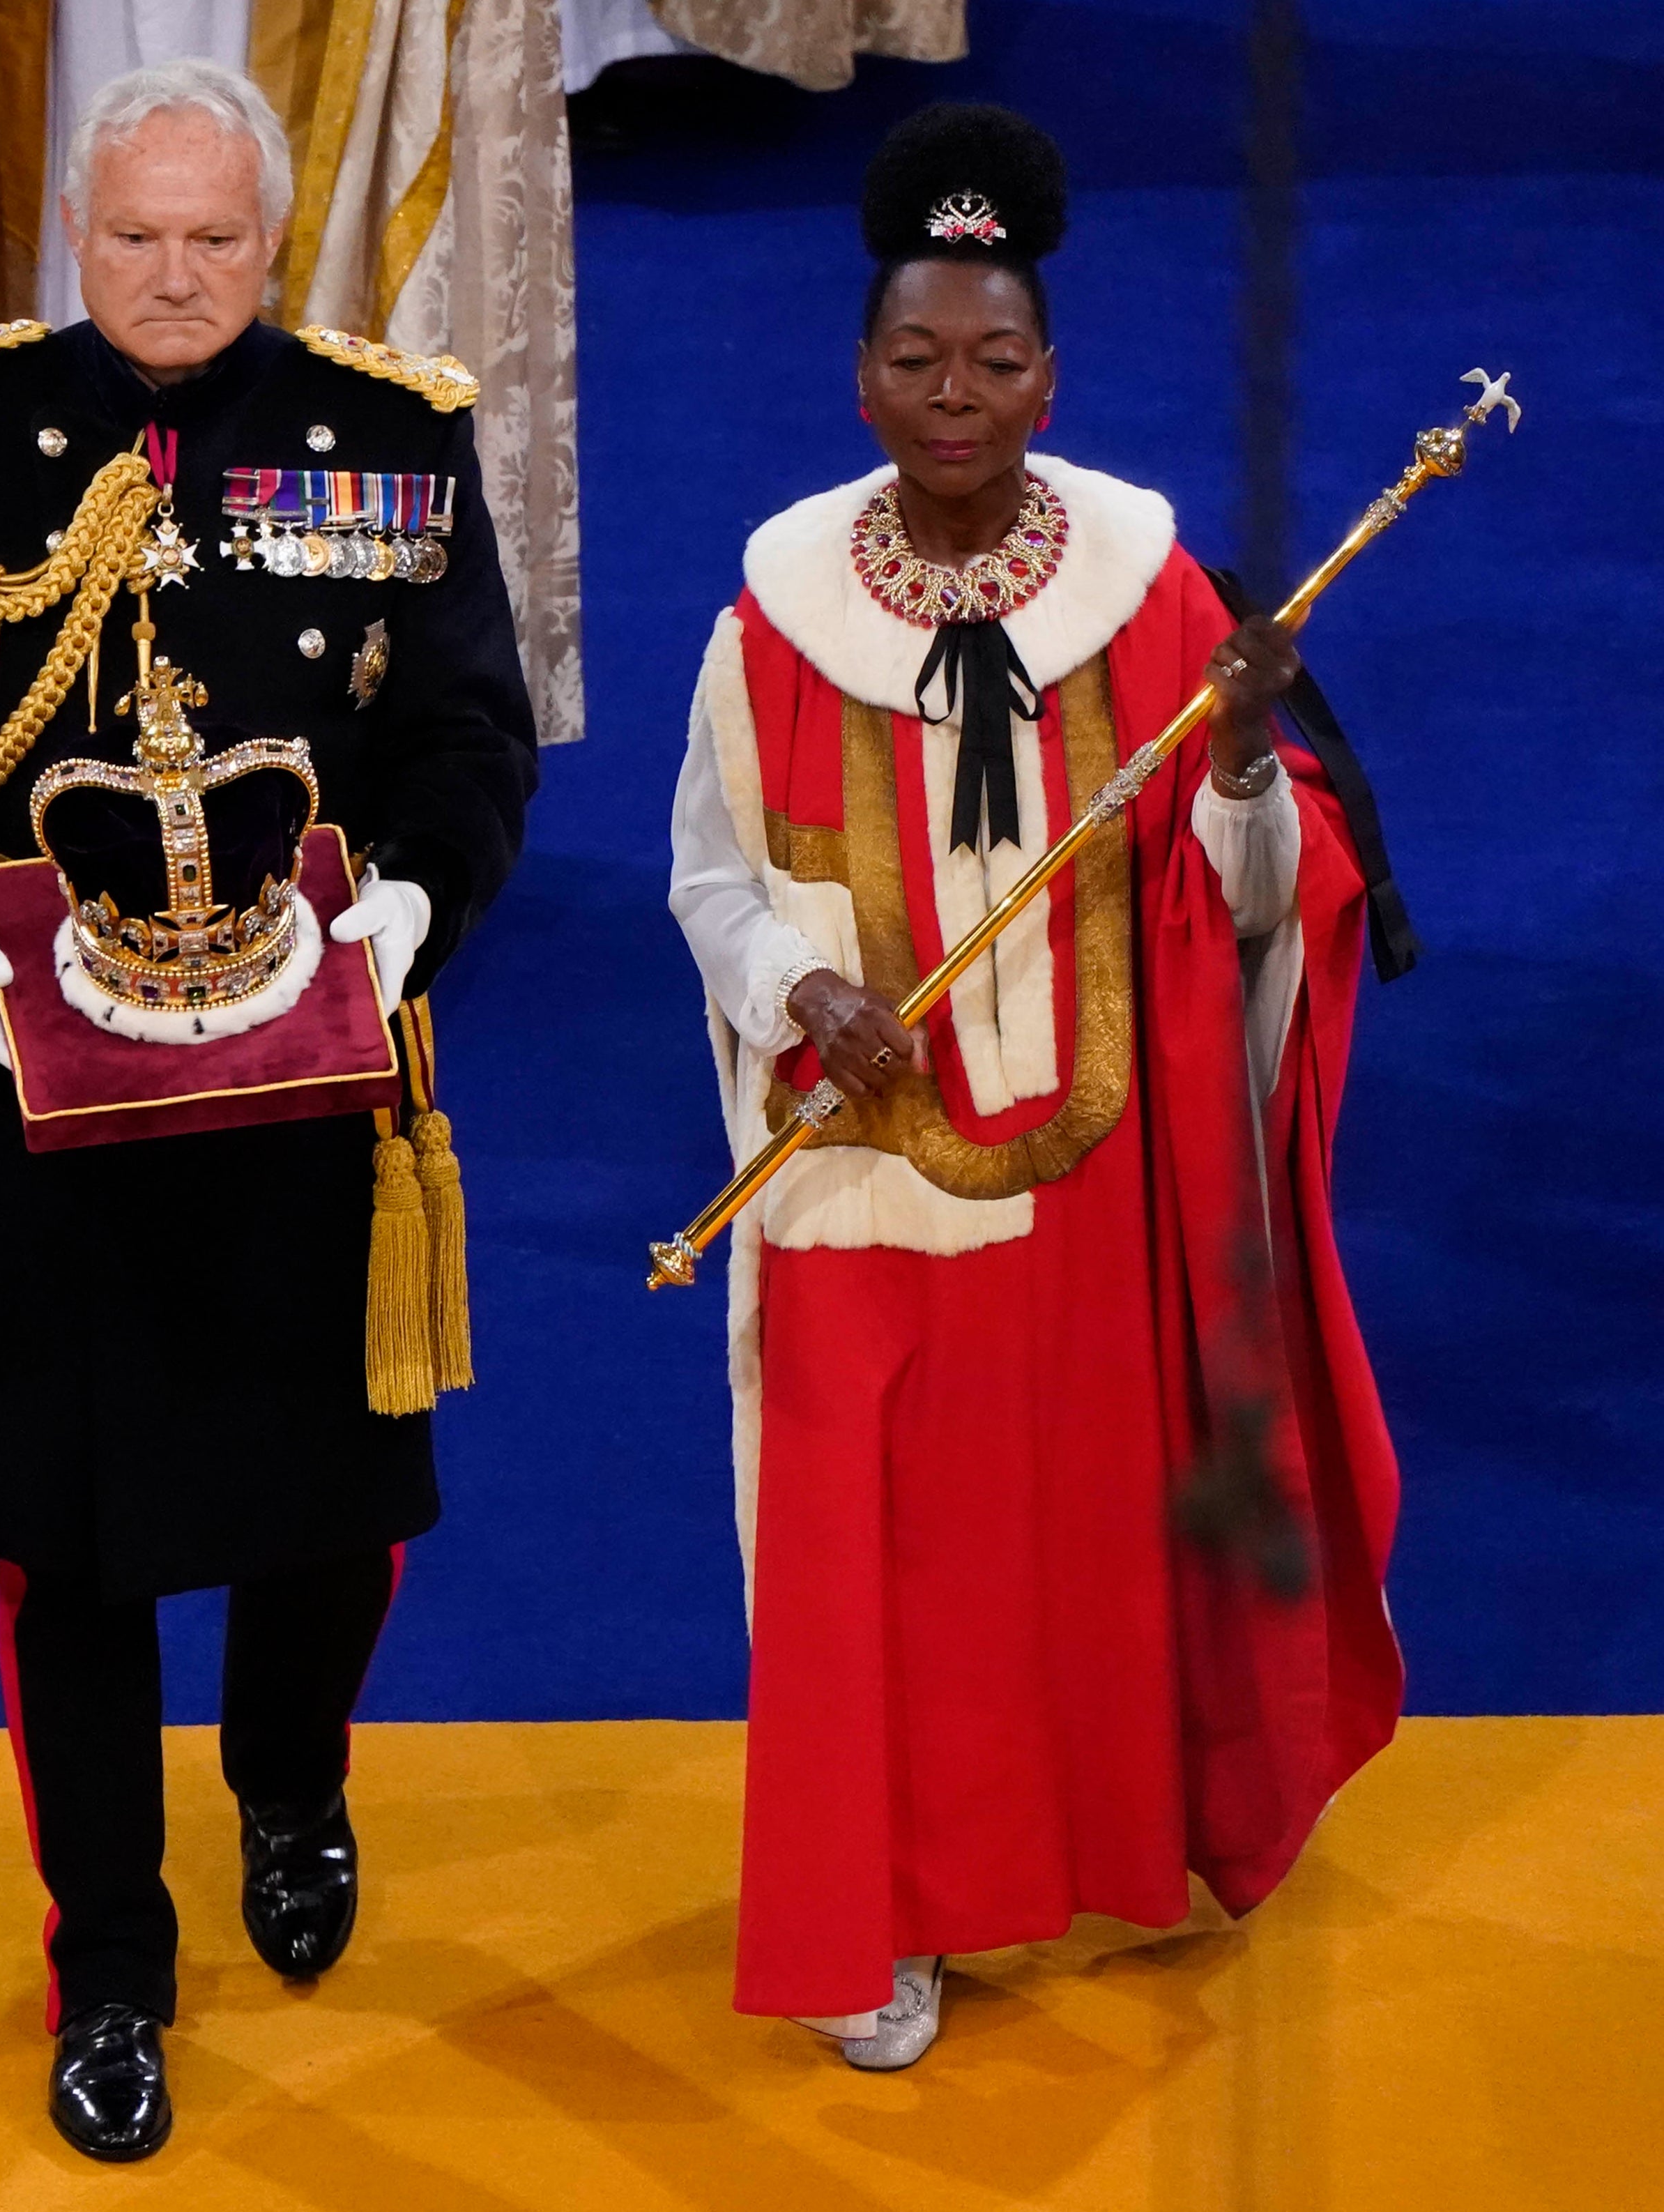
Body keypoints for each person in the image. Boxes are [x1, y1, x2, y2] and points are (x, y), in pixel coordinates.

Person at [0, 59, 536, 2162]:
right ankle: (107, 1959)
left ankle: (290, 1771)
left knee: (328, 1511)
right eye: (132, 234)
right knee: (76, 1553)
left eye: (214, 236)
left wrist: (410, 904)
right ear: (73, 235)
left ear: (271, 237)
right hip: (32, 1098)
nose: (172, 273)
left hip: (302, 1072)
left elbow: (466, 731)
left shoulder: (384, 437)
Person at [666, 104, 1403, 2070]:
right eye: (913, 359)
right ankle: (873, 1922)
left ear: (1049, 375)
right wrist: (798, 981)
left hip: (1090, 1177)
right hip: (855, 1175)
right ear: (857, 371)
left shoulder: (1152, 604)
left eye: (993, 361)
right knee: (864, 1572)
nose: (952, 398)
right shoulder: (771, 613)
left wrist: (1242, 766)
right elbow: (705, 877)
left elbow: (1266, 906)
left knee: (1055, 1569)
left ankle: (1091, 1847)